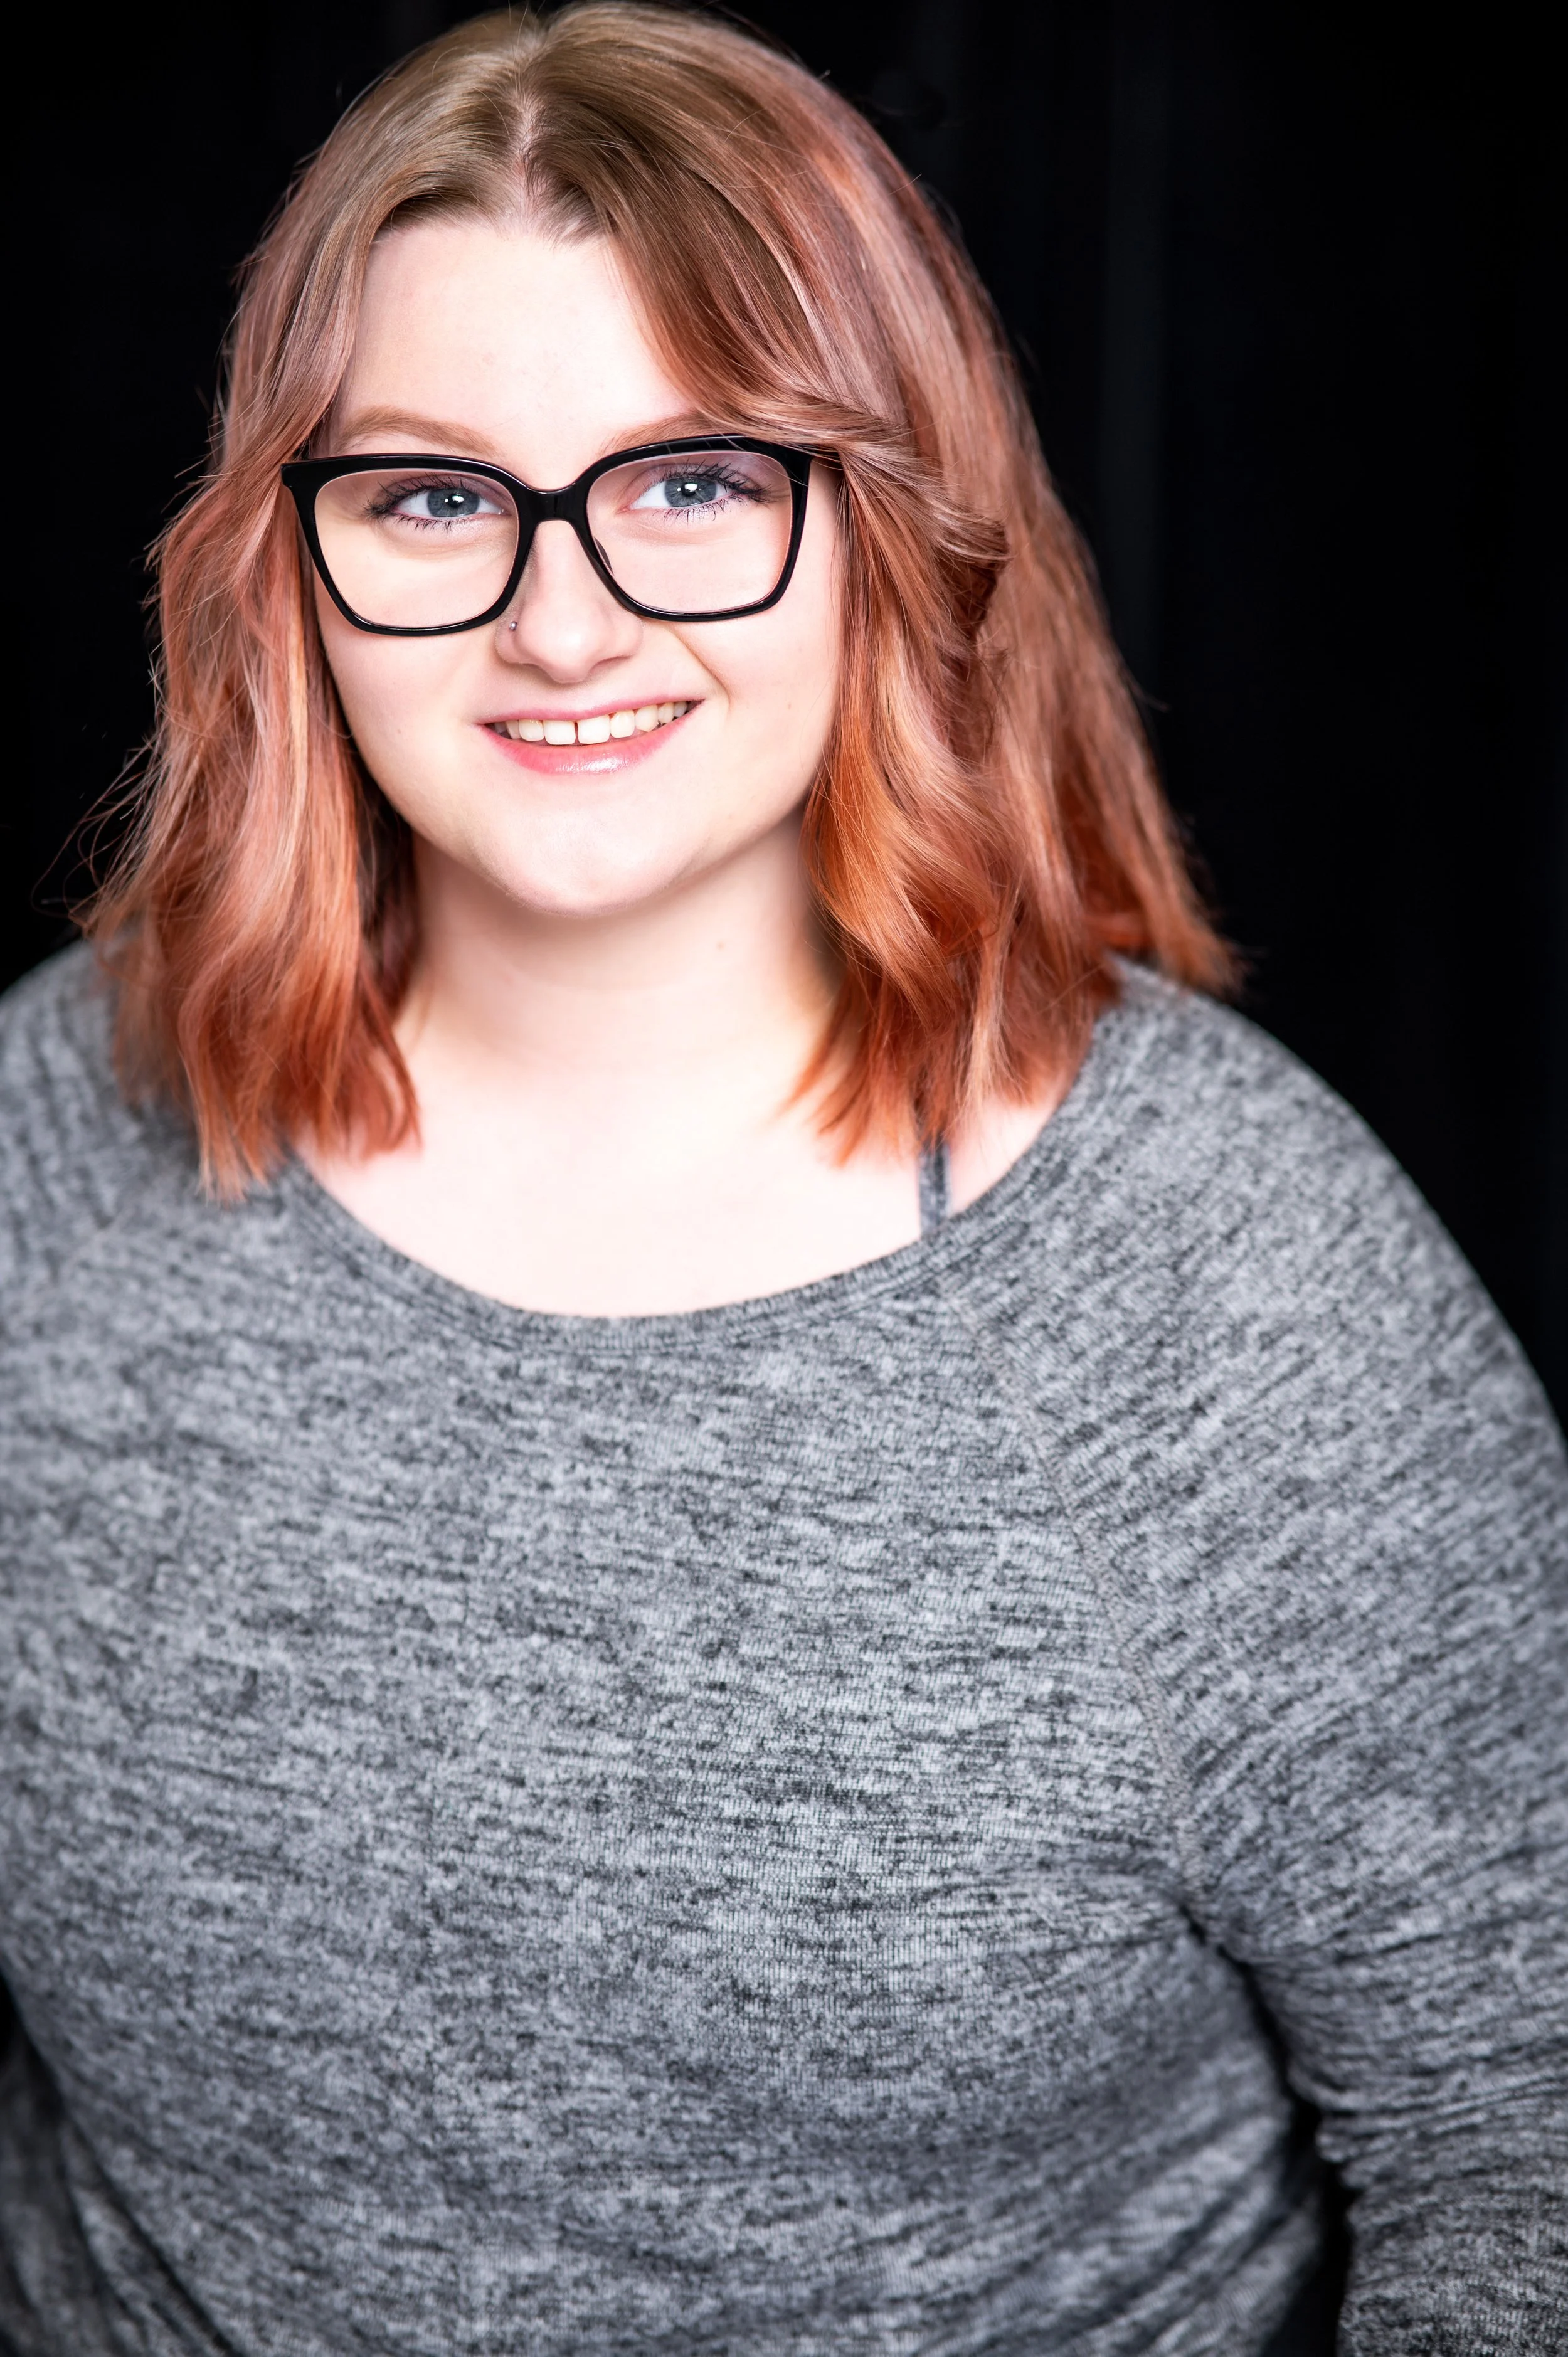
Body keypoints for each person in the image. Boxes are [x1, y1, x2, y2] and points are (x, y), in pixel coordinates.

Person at [0, 5, 1562, 2349]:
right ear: (287, 567)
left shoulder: (1234, 1287)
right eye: (434, 493)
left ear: (891, 525)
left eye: (695, 477)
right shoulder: (49, 1138)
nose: (560, 616)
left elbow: (1524, 2150)